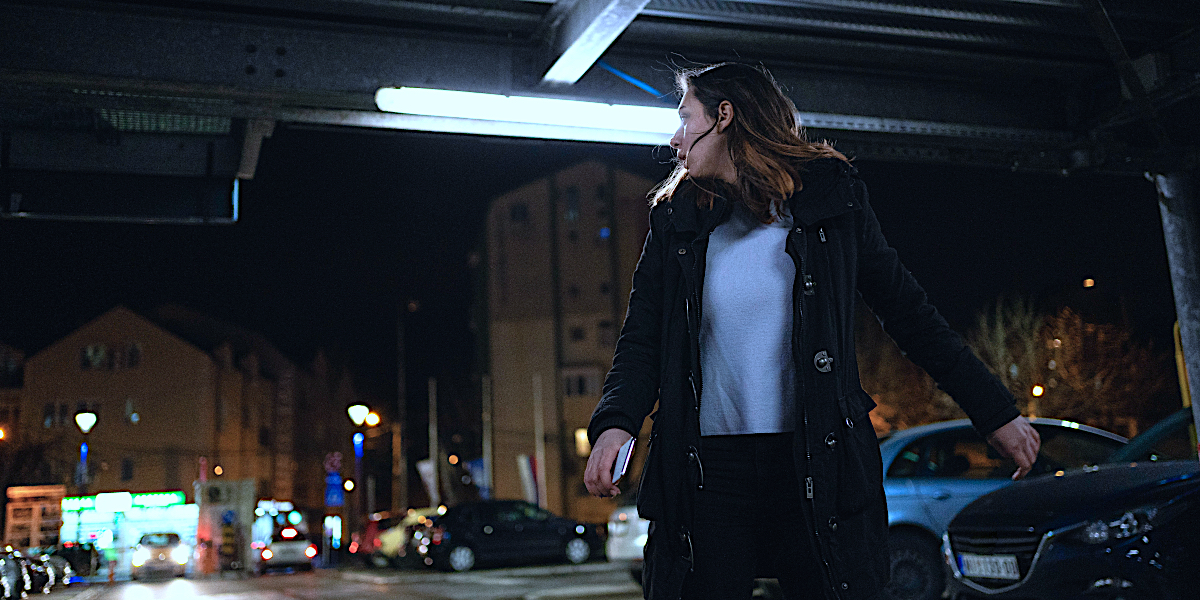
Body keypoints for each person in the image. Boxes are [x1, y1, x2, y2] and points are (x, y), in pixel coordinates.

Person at [583, 62, 1040, 600]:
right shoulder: (676, 220)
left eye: (686, 120)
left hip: (815, 460)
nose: (676, 140)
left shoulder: (833, 204)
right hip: (706, 470)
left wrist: (995, 412)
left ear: (725, 117)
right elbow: (642, 338)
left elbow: (911, 314)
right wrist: (616, 422)